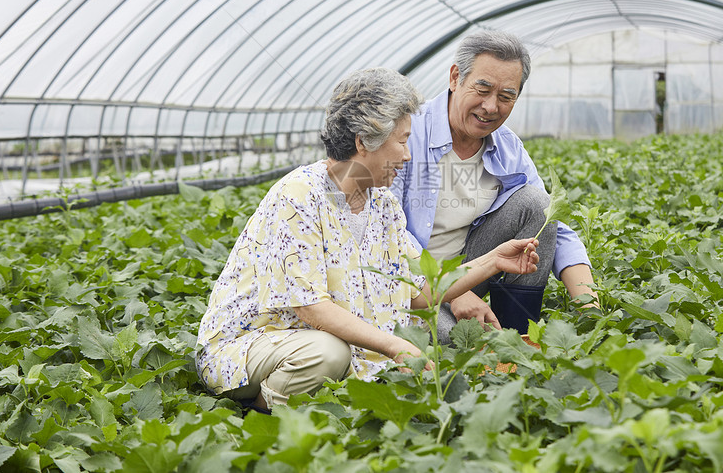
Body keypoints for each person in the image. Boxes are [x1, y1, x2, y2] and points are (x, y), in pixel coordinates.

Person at [196, 67, 541, 411]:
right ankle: (261, 412)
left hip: (323, 346)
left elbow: (423, 290)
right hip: (251, 346)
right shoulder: (299, 195)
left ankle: (321, 406)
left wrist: (493, 260)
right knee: (327, 354)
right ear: (364, 142)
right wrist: (394, 346)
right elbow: (311, 308)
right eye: (403, 141)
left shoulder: (383, 205)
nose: (407, 155)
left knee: (353, 357)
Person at [391, 31, 598, 340]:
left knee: (537, 205)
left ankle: (517, 340)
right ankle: (489, 347)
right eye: (482, 89)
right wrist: (452, 290)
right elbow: (383, 235)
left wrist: (590, 309)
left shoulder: (507, 146)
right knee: (454, 347)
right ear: (455, 77)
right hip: (409, 285)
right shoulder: (407, 135)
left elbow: (554, 223)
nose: (490, 107)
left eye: (506, 97)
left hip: (471, 271)